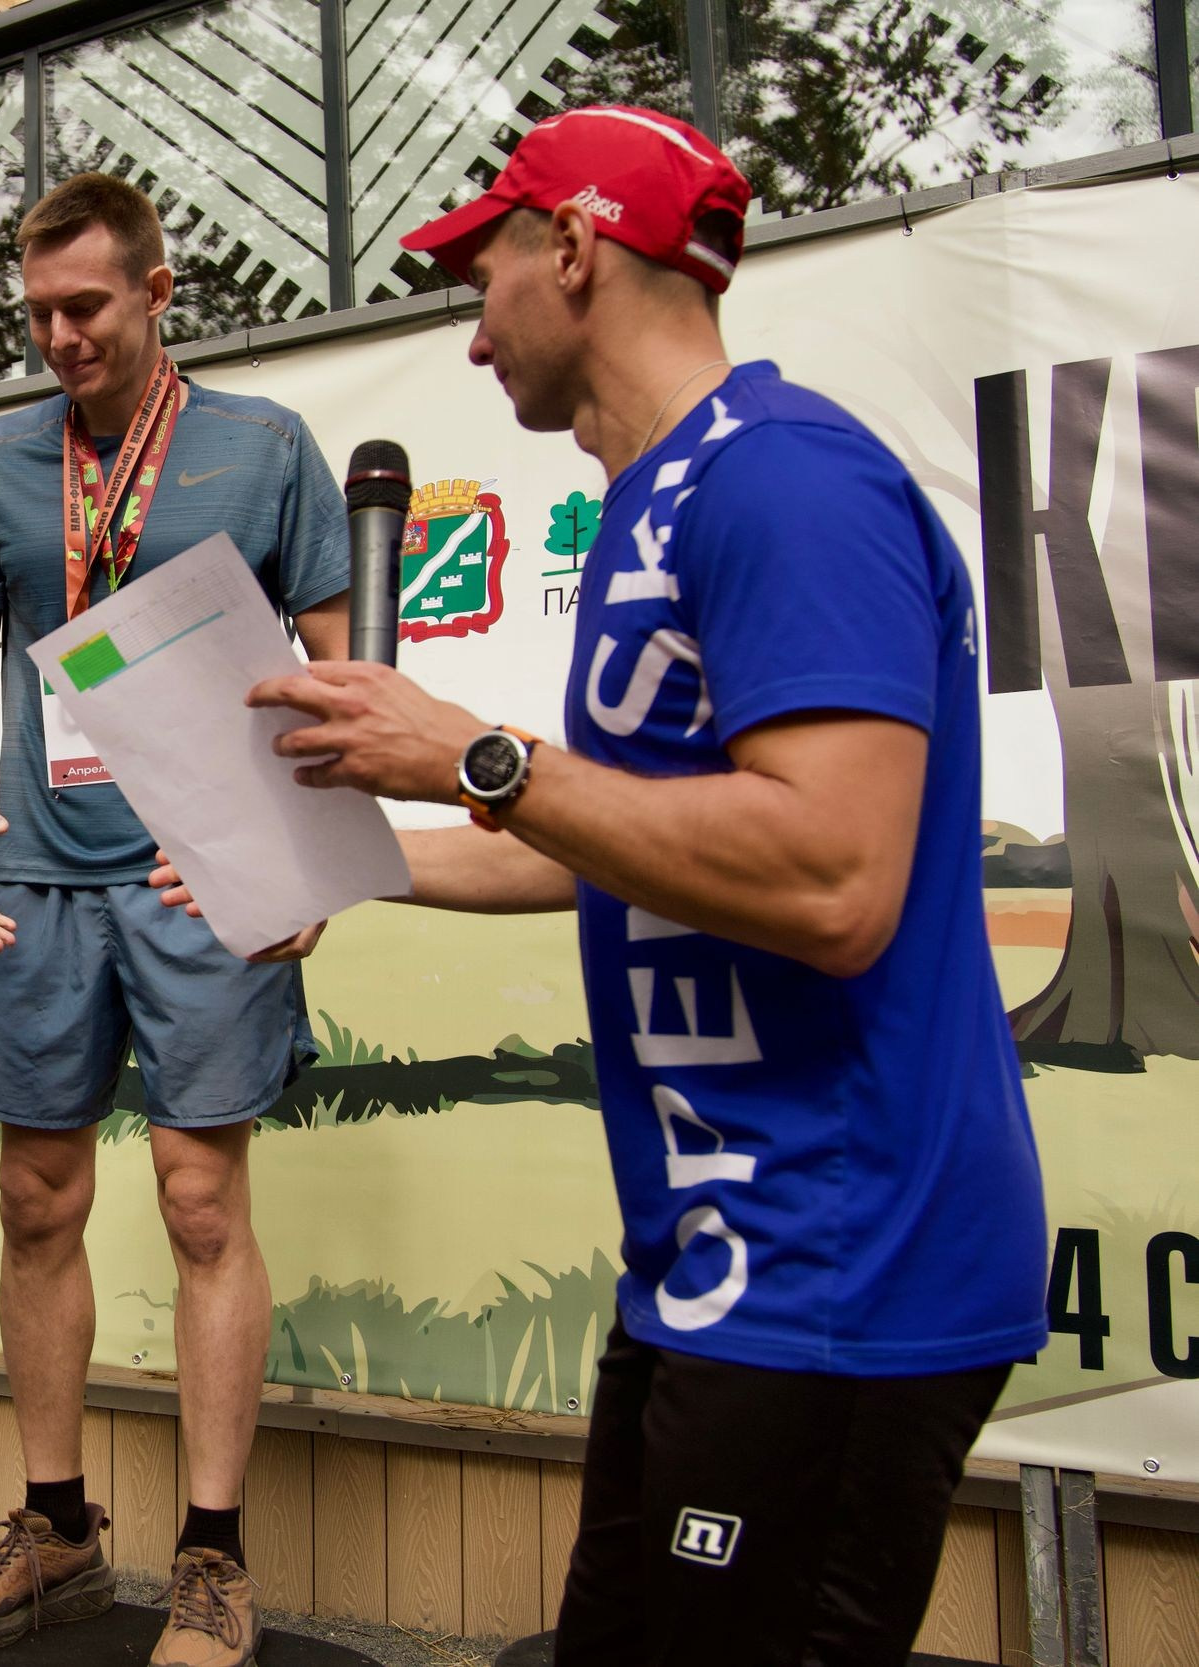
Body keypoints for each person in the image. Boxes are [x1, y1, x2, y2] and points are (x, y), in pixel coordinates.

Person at [157, 106, 1047, 1665]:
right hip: (708, 1264)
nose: (472, 319)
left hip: (839, 1270)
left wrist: (481, 757)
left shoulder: (785, 483)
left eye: (481, 265)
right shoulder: (659, 498)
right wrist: (360, 875)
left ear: (572, 247)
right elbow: (633, 842)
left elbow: (838, 878)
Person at [0, 172, 351, 1667]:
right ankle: (57, 1531)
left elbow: (337, 673)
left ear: (160, 295)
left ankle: (212, 1558)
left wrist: (299, 864)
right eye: (37, 313)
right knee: (36, 1198)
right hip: (40, 875)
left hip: (202, 874)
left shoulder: (262, 450)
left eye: (85, 307)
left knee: (200, 1202)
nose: (59, 336)